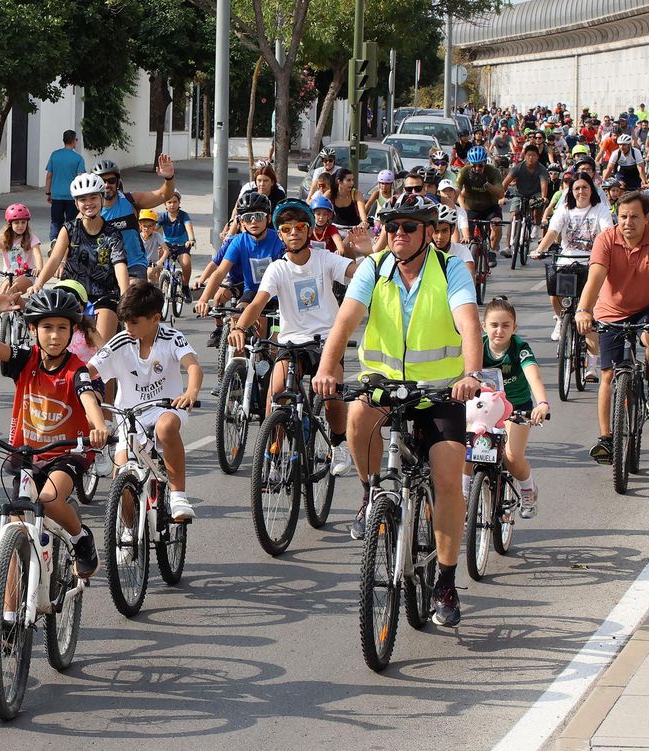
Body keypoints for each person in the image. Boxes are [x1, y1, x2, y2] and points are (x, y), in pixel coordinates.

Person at [312, 193, 485, 629]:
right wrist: (327, 367)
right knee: (355, 417)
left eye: (409, 227)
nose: (398, 235)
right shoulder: (373, 268)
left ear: (429, 233)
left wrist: (469, 374)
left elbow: (469, 324)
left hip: (441, 391)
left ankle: (445, 580)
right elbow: (345, 321)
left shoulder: (451, 270)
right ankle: (372, 493)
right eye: (391, 227)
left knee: (447, 478)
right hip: (383, 384)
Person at [226, 198, 373, 477]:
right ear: (279, 234)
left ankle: (339, 443)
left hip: (326, 341)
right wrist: (239, 327)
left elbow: (358, 273)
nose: (294, 232)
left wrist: (366, 253)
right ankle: (274, 454)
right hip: (291, 341)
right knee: (275, 393)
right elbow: (258, 302)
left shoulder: (324, 259)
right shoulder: (277, 268)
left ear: (308, 231)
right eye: (286, 228)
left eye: (300, 227)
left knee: (331, 394)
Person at [0, 285, 109, 585]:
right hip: (26, 456)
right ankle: (5, 621)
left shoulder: (77, 370)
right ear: (33, 329)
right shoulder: (26, 360)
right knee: (13, 534)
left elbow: (88, 399)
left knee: (48, 498)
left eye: (62, 328)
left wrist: (99, 426)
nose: (54, 335)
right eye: (47, 327)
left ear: (73, 330)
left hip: (66, 455)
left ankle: (80, 537)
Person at [574, 192, 649, 465]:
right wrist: (583, 309)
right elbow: (595, 279)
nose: (628, 222)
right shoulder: (606, 239)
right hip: (612, 310)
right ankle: (605, 439)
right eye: (622, 216)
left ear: (647, 218)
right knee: (608, 374)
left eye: (635, 216)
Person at [87, 281, 204, 521]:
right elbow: (90, 369)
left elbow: (193, 366)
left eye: (134, 322)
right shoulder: (121, 341)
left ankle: (178, 495)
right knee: (121, 482)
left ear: (155, 318)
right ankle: (127, 535)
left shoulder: (172, 338)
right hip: (129, 416)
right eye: (125, 321)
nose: (127, 327)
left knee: (166, 426)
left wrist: (191, 392)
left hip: (166, 408)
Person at [472, 298, 551, 518]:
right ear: (484, 326)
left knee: (512, 456)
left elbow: (532, 375)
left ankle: (528, 489)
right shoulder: (478, 346)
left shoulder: (520, 348)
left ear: (514, 328)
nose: (499, 330)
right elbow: (463, 374)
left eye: (506, 325)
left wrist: (542, 403)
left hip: (516, 408)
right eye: (494, 325)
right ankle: (464, 494)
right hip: (484, 409)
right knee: (467, 452)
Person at [36, 173, 130, 345]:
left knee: (99, 349)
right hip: (71, 295)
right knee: (55, 341)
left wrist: (125, 296)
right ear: (76, 203)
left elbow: (120, 266)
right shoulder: (69, 229)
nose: (88, 203)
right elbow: (55, 259)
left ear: (102, 198)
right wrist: (38, 283)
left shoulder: (113, 234)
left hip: (104, 295)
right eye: (82, 199)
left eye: (93, 197)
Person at [533, 173, 611, 376]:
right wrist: (540, 250)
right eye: (577, 188)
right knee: (555, 293)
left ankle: (592, 366)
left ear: (591, 190)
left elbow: (606, 233)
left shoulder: (600, 209)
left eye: (585, 187)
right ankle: (562, 320)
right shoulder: (565, 209)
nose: (581, 191)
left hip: (592, 265)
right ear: (571, 191)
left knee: (589, 315)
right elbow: (552, 232)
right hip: (568, 262)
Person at [195, 192, 286, 344]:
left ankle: (264, 362)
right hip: (251, 292)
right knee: (236, 319)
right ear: (241, 222)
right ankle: (237, 362)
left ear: (268, 218)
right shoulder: (238, 241)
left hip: (276, 295)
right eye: (247, 218)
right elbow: (220, 271)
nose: (253, 222)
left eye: (258, 216)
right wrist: (204, 299)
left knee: (267, 336)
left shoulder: (278, 239)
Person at [94, 155, 177, 283]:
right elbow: (72, 234)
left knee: (132, 293)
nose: (107, 185)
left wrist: (169, 177)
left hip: (133, 264)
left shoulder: (130, 200)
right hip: (104, 267)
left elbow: (163, 194)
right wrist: (62, 261)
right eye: (101, 181)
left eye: (111, 180)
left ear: (117, 182)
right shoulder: (89, 210)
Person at [0, 203, 43, 297]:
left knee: (12, 290)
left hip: (27, 275)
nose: (20, 226)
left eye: (23, 222)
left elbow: (37, 255)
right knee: (1, 294)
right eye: (16, 223)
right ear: (10, 224)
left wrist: (38, 268)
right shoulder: (3, 238)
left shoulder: (31, 237)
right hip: (9, 275)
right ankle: (20, 310)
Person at [453, 146, 506, 262]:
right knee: (469, 238)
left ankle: (492, 250)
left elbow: (501, 194)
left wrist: (488, 185)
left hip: (490, 207)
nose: (477, 168)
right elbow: (457, 189)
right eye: (474, 165)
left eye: (480, 165)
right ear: (470, 163)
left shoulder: (493, 172)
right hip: (471, 208)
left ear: (485, 162)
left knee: (497, 225)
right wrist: (451, 200)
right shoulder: (464, 172)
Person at [43, 130, 88, 241]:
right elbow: (80, 177)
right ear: (73, 141)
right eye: (76, 139)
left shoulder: (55, 155)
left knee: (56, 220)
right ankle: (69, 241)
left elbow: (49, 175)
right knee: (72, 221)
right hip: (72, 195)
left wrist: (48, 192)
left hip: (57, 195)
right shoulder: (78, 158)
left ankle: (54, 239)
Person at [155, 191, 196, 298]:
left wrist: (191, 239)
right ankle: (158, 283)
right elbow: (154, 229)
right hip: (167, 245)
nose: (172, 205)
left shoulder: (183, 216)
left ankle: (185, 286)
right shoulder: (162, 216)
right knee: (158, 257)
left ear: (179, 203)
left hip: (182, 246)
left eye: (175, 202)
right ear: (165, 204)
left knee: (186, 263)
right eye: (169, 202)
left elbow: (189, 228)